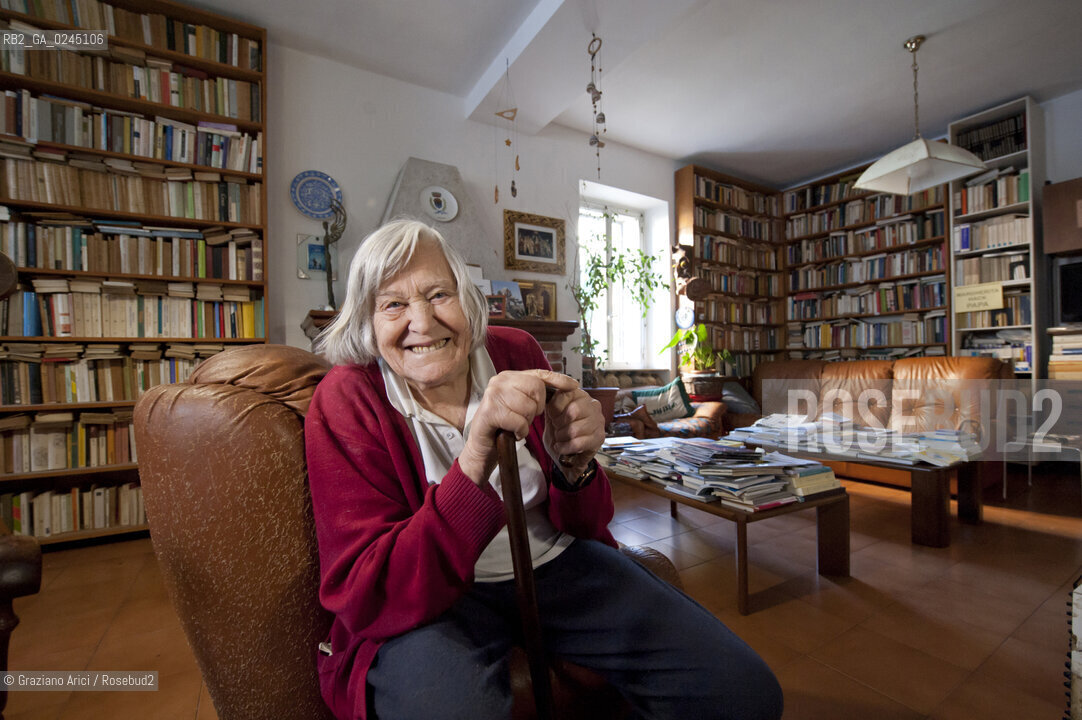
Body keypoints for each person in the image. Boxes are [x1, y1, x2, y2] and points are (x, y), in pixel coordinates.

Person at [305, 219, 783, 720]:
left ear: (467, 299)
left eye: (439, 294)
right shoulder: (347, 398)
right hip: (429, 601)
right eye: (393, 304)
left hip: (556, 565)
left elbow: (587, 524)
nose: (422, 322)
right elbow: (363, 591)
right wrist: (473, 462)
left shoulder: (516, 352)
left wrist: (575, 464)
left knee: (745, 692)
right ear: (367, 320)